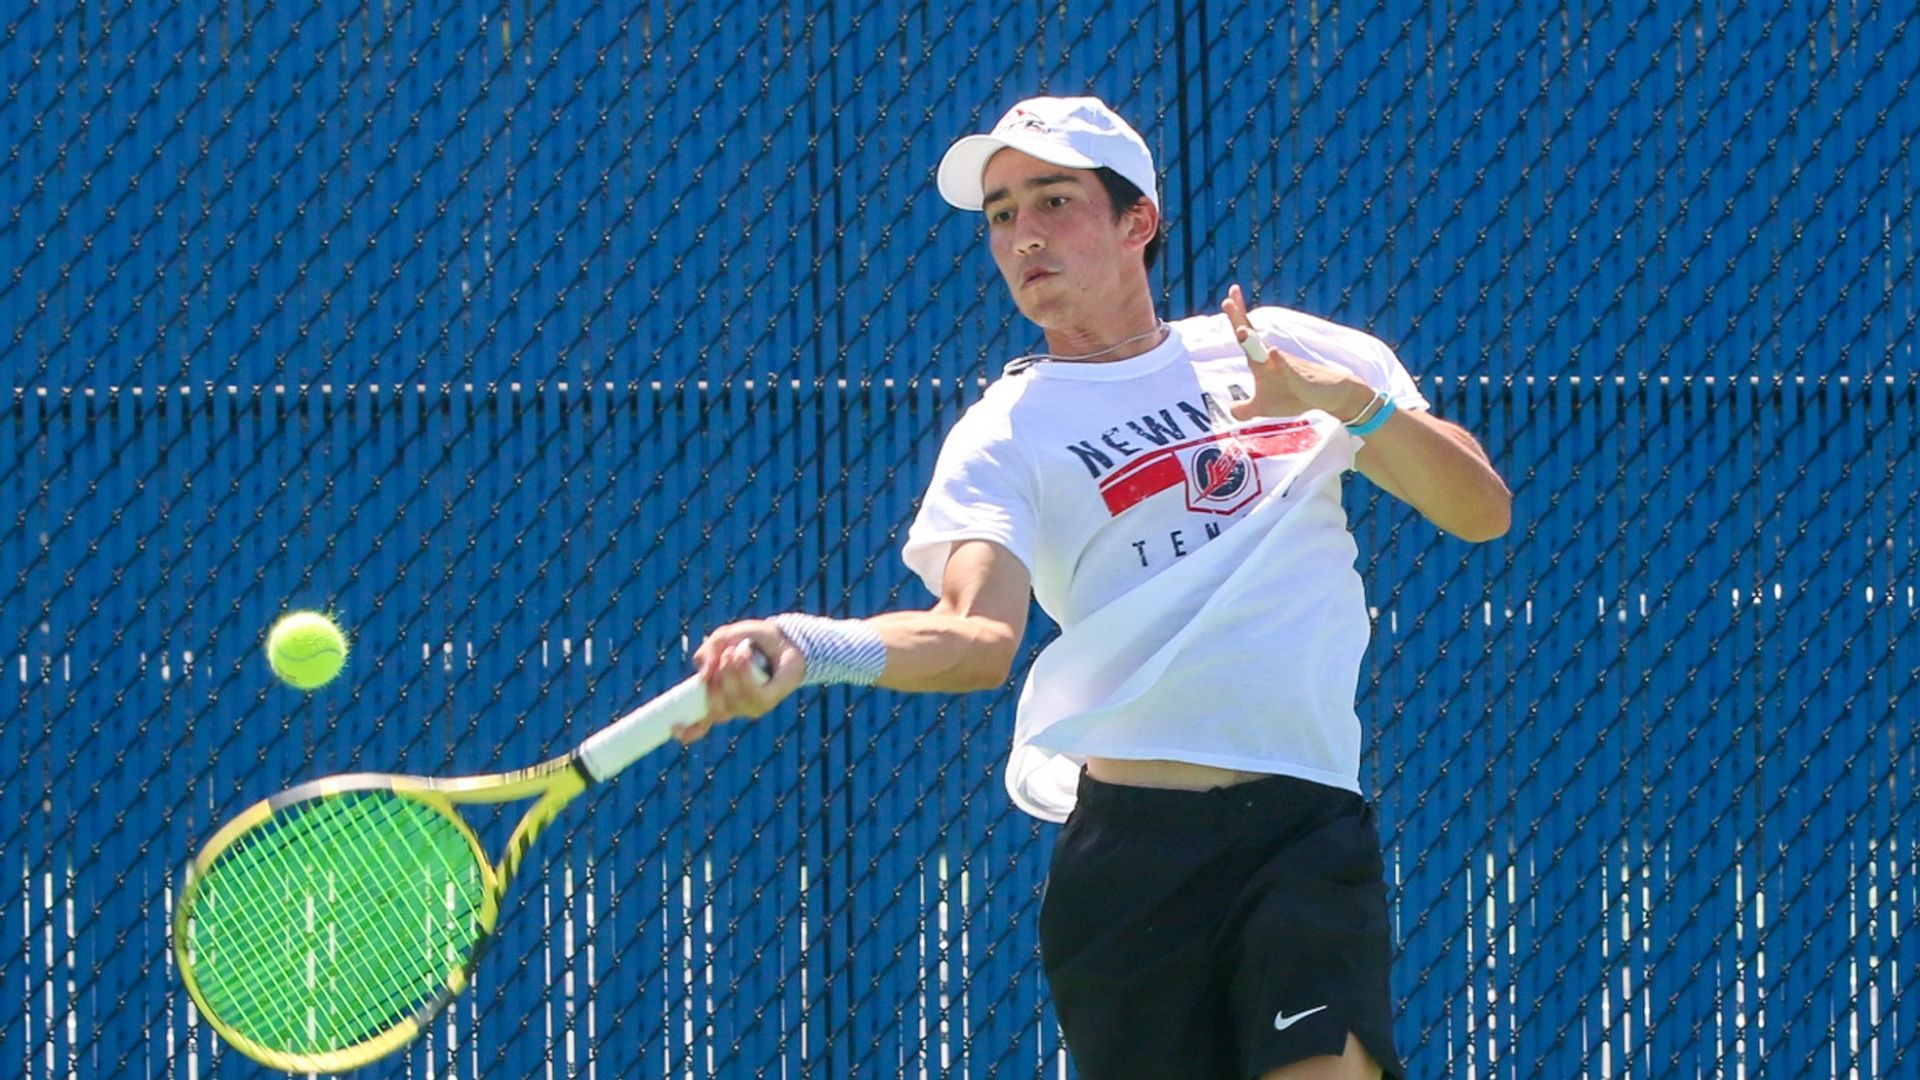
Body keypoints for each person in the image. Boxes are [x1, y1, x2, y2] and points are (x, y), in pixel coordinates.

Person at [680, 95, 1511, 1080]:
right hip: (1131, 866)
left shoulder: (1278, 347)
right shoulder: (1005, 431)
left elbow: (1479, 510)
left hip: (1303, 836)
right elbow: (974, 637)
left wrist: (1349, 405)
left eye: (1054, 199)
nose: (1023, 233)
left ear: (1137, 222)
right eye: (1000, 213)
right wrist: (815, 645)